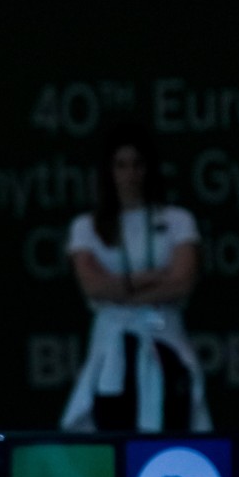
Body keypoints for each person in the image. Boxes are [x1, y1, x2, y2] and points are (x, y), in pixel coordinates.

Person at [60, 123, 211, 433]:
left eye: (137, 164)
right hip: (111, 355)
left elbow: (182, 282)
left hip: (166, 342)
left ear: (148, 168)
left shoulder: (178, 220)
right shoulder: (86, 226)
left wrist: (120, 290)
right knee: (111, 437)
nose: (130, 174)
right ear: (109, 171)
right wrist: (153, 278)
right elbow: (92, 286)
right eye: (121, 165)